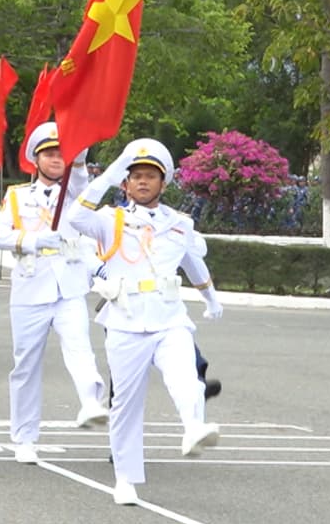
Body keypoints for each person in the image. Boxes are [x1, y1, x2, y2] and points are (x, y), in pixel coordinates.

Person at [69, 138, 224, 505]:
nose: (142, 182)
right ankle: (125, 478)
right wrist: (108, 172)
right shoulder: (109, 220)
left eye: (150, 176)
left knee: (184, 375)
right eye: (135, 175)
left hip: (169, 318)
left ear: (163, 183)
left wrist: (211, 297)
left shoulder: (179, 223)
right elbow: (75, 216)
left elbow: (192, 263)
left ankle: (193, 427)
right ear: (125, 183)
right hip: (124, 321)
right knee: (126, 402)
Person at [0, 122, 108, 465]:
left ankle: (91, 402)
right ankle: (24, 438)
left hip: (68, 286)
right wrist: (33, 240)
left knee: (80, 348)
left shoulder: (74, 192)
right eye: (50, 154)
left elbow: (83, 183)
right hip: (30, 286)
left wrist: (79, 156)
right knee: (26, 365)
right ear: (36, 160)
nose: (57, 160)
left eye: (61, 154)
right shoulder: (16, 196)